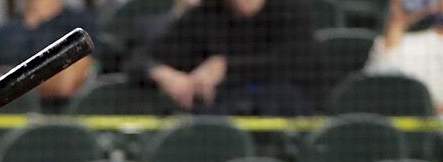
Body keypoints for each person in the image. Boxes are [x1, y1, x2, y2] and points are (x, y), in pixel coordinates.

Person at [136, 0, 318, 115]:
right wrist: (162, 73)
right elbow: (138, 58)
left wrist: (226, 67)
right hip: (220, 121)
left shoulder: (291, 9)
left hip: (284, 114)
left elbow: (299, 60)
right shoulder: (205, 14)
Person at [0, 0, 99, 108]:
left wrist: (3, 79)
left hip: (59, 120)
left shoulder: (78, 23)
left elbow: (65, 84)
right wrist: (36, 80)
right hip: (11, 123)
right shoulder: (2, 32)